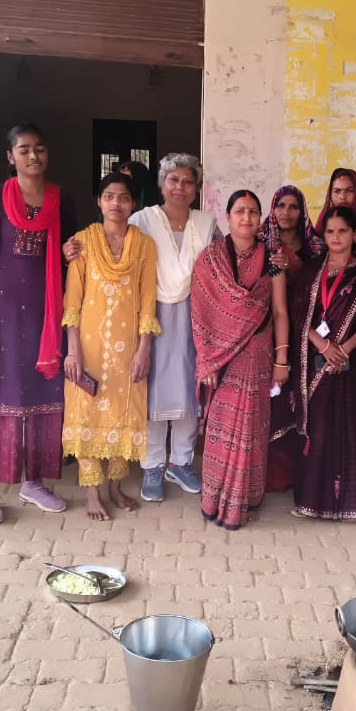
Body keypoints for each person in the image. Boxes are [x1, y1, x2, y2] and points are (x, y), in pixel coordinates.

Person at [0, 123, 78, 524]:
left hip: (46, 310)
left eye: (40, 148)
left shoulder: (62, 199)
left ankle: (34, 482)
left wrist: (69, 252)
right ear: (10, 157)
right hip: (1, 311)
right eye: (24, 149)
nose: (33, 156)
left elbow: (69, 259)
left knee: (42, 393)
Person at [61, 172, 158, 521]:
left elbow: (148, 301)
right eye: (109, 196)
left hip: (127, 349)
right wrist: (73, 350)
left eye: (124, 197)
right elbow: (72, 302)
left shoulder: (144, 245)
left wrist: (144, 348)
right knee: (86, 411)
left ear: (134, 204)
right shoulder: (82, 242)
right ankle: (92, 493)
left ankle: (116, 487)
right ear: (99, 201)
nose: (116, 203)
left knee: (124, 412)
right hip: (88, 347)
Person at [192, 190, 290, 529]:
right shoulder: (210, 259)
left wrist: (281, 359)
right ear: (228, 217)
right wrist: (207, 360)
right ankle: (214, 499)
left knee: (251, 428)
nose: (246, 218)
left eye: (253, 212)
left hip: (258, 354)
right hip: (221, 360)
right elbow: (201, 312)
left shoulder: (273, 259)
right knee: (220, 428)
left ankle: (242, 501)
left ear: (260, 218)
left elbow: (280, 312)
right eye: (239, 211)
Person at [128, 153, 218, 502]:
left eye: (188, 181)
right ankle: (152, 465)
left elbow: (223, 266)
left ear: (197, 188)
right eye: (173, 180)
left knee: (188, 390)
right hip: (150, 317)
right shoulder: (141, 220)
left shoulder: (207, 224)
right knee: (152, 390)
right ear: (162, 184)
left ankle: (180, 462)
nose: (180, 187)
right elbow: (116, 252)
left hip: (196, 317)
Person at [292, 205, 356, 521]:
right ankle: (308, 500)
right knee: (317, 427)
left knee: (345, 427)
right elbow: (298, 315)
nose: (335, 237)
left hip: (351, 362)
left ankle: (342, 504)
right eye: (330, 232)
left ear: (355, 233)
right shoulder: (311, 270)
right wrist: (322, 344)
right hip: (315, 358)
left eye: (342, 231)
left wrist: (342, 349)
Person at [261, 185, 326, 497]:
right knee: (272, 399)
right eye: (280, 206)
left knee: (300, 397)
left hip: (305, 332)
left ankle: (294, 472)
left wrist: (295, 268)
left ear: (302, 212)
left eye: (293, 207)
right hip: (267, 330)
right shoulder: (260, 242)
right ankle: (269, 473)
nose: (285, 212)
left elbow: (322, 288)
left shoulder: (316, 246)